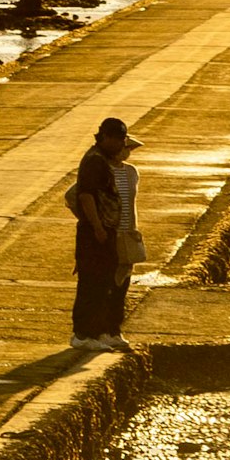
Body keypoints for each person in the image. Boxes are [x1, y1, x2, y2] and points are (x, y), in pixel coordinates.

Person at [70, 116, 145, 344]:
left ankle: (104, 331)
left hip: (114, 231)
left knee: (108, 283)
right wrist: (98, 227)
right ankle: (83, 334)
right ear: (106, 137)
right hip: (97, 233)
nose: (123, 146)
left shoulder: (110, 163)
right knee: (92, 283)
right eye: (119, 141)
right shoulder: (95, 162)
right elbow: (84, 196)